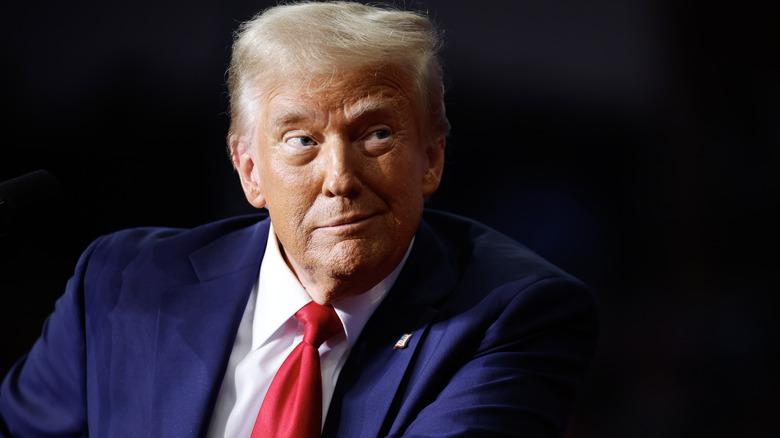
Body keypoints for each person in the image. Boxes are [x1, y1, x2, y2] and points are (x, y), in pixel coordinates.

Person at [0, 2, 597, 437]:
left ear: (431, 158)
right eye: (302, 140)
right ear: (249, 171)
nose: (340, 177)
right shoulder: (118, 284)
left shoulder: (514, 314)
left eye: (376, 134)